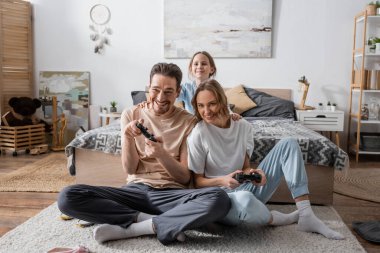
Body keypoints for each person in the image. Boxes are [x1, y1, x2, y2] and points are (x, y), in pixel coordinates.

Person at [58, 63, 231, 245]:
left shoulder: (189, 122)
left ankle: (137, 227)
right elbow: (130, 168)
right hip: (135, 192)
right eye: (155, 90)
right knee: (67, 197)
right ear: (148, 87)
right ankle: (156, 221)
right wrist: (126, 135)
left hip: (171, 195)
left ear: (178, 91)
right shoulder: (131, 114)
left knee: (219, 199)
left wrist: (161, 155)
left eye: (168, 92)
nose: (161, 97)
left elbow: (184, 178)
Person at [186, 79, 344, 240]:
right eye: (201, 106)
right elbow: (197, 182)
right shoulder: (199, 134)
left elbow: (245, 166)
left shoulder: (243, 126)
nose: (206, 111)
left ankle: (306, 213)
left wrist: (255, 173)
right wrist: (223, 181)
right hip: (221, 200)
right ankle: (275, 219)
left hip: (246, 188)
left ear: (222, 101)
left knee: (289, 143)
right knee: (245, 199)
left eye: (211, 104)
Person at [177, 51, 240, 120]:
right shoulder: (186, 87)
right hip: (192, 124)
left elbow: (225, 106)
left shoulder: (216, 88)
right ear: (191, 69)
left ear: (212, 69)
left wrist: (231, 114)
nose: (199, 66)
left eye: (203, 64)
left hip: (210, 124)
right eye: (196, 64)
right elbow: (174, 95)